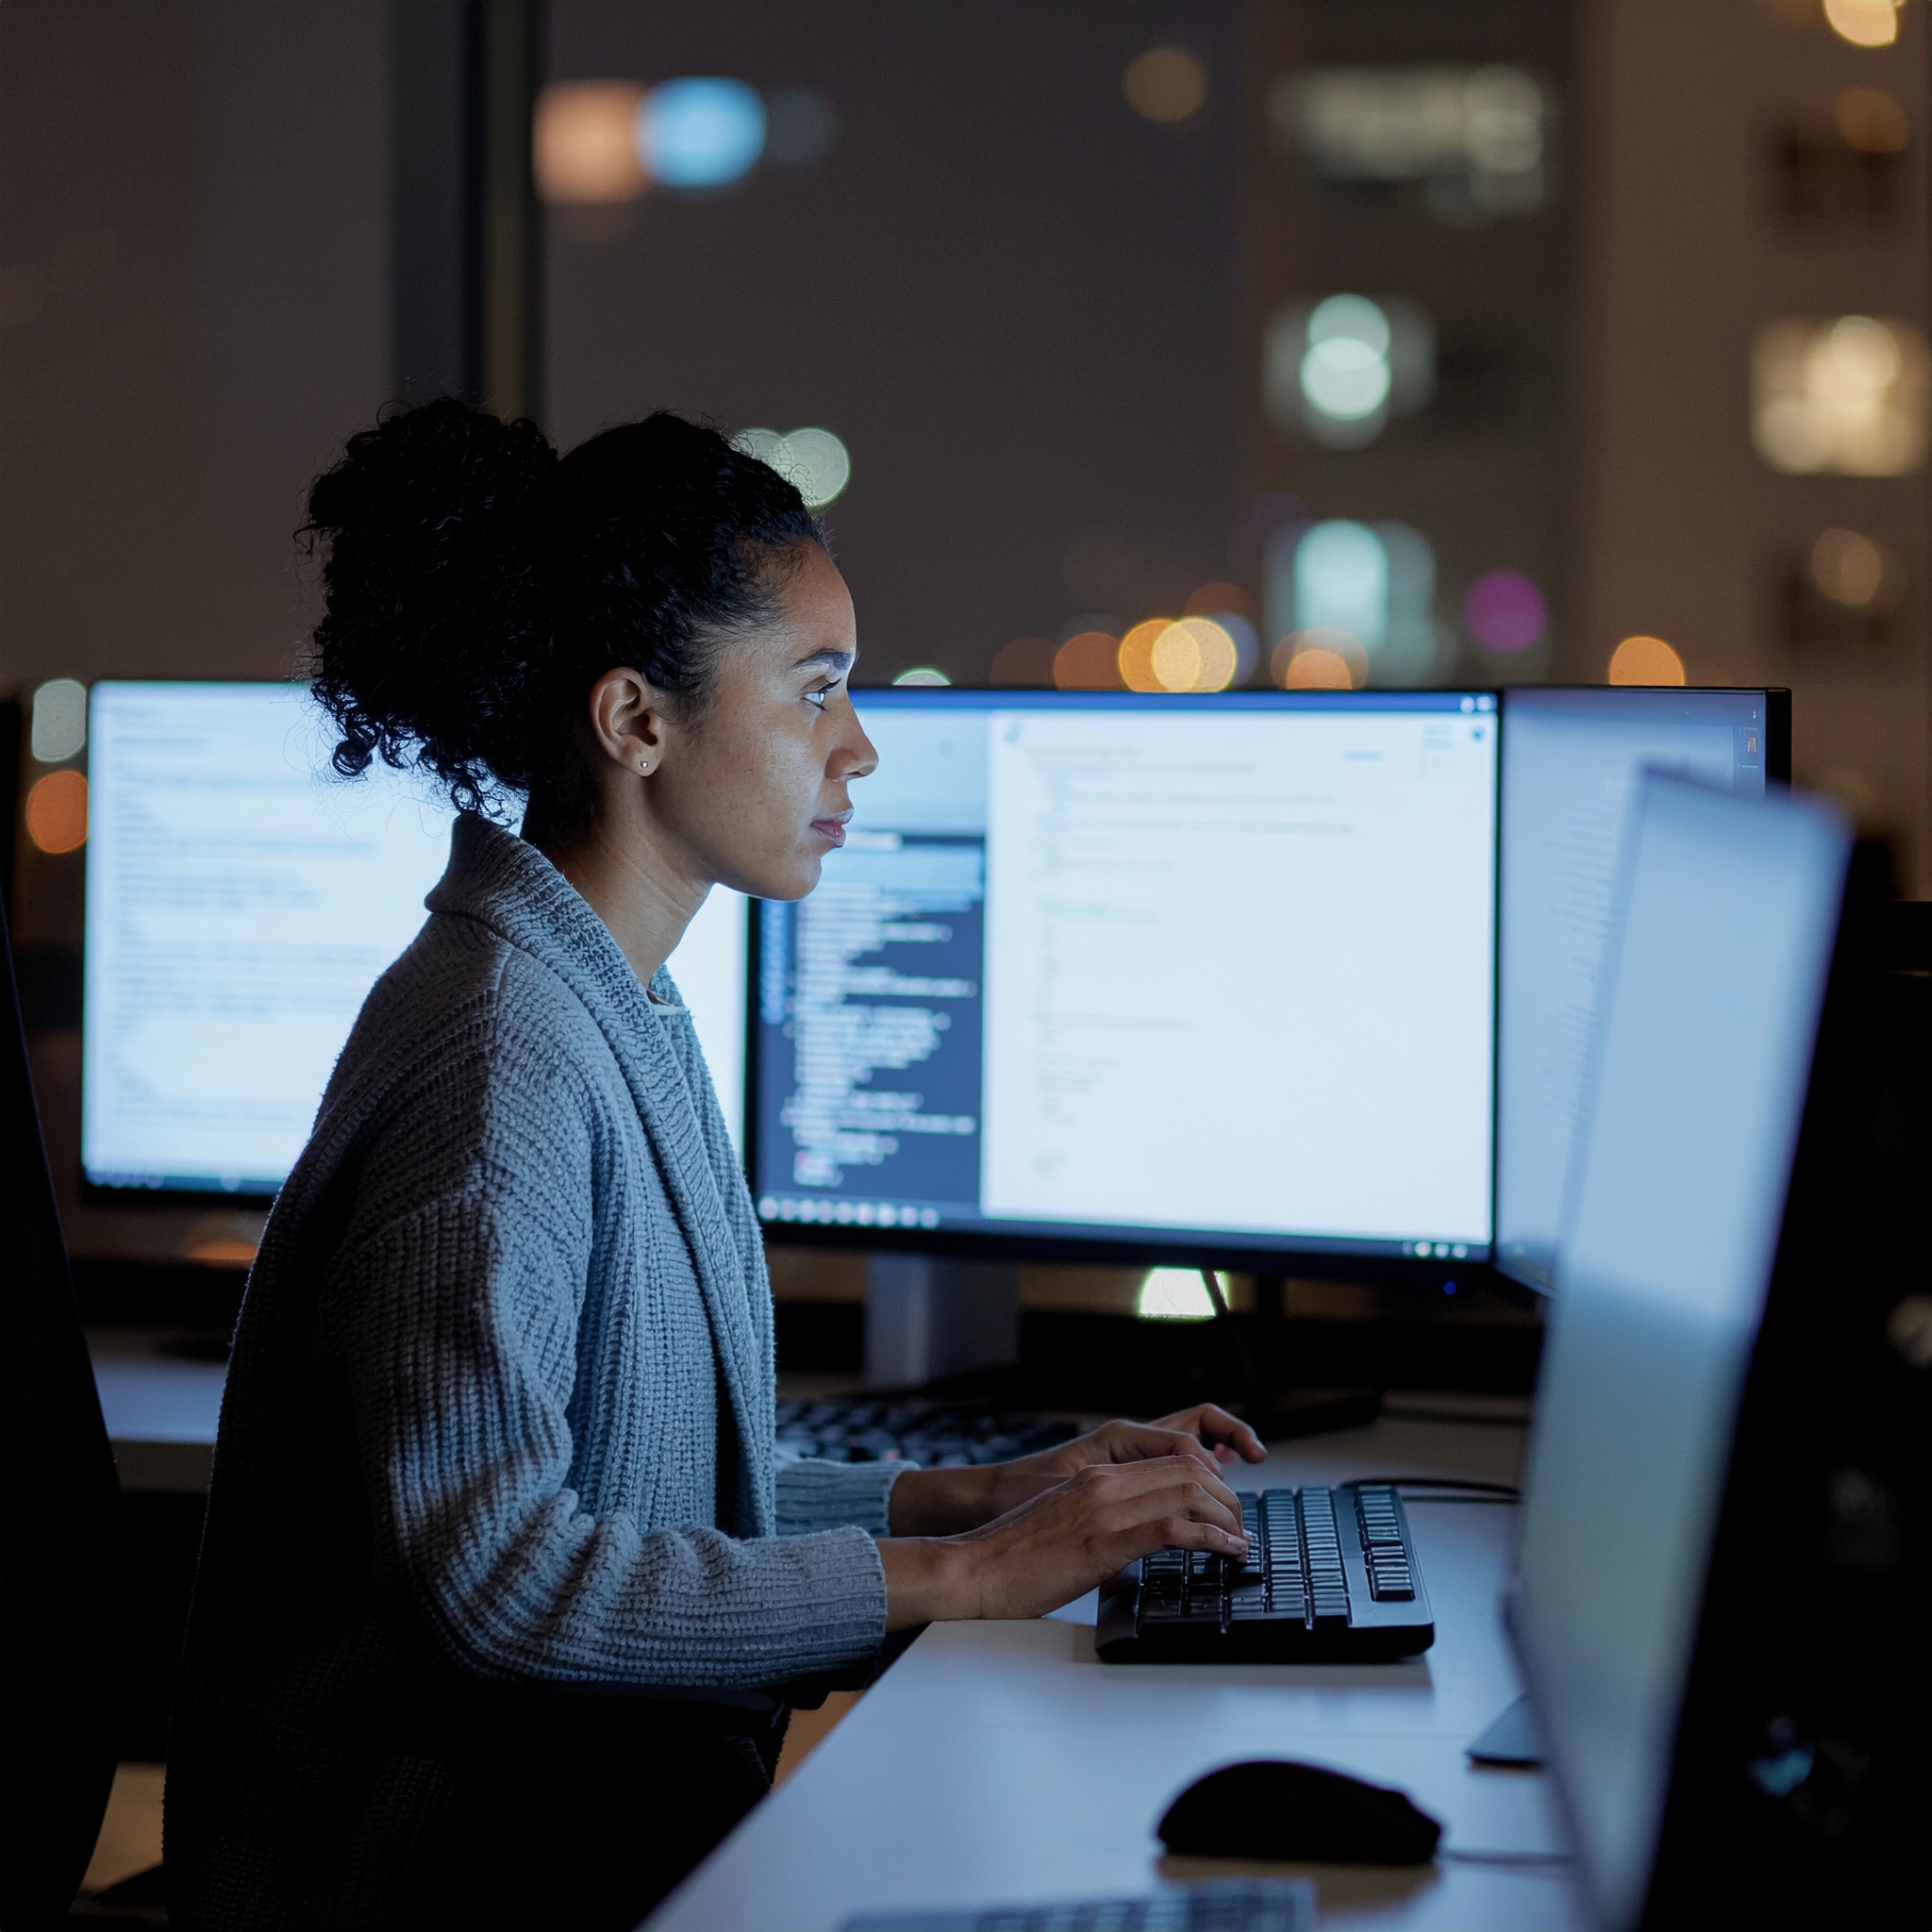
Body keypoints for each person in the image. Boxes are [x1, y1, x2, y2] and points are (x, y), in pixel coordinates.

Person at [166, 400, 1263, 1931]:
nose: (860, 747)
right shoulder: (503, 1059)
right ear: (636, 723)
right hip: (449, 1887)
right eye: (817, 692)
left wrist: (976, 1500)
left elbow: (653, 1489)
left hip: (579, 1842)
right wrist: (972, 1583)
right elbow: (502, 1578)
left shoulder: (603, 994)